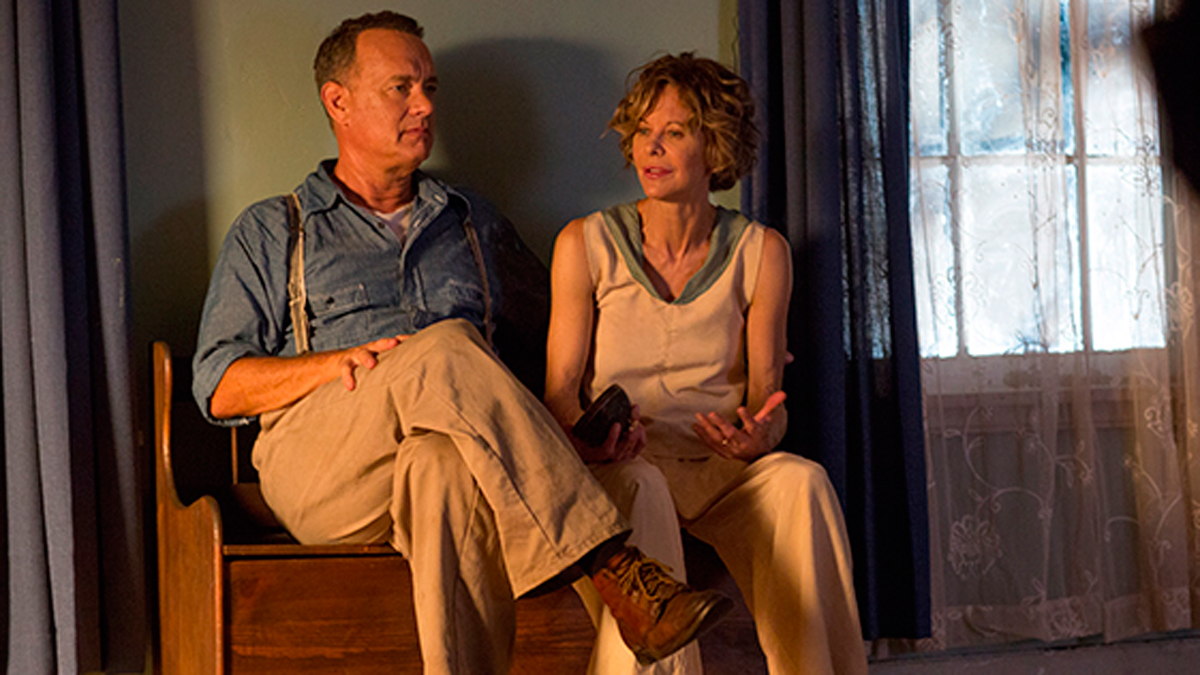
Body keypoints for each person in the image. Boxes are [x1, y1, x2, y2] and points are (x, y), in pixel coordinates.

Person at [192, 13, 732, 674]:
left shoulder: (472, 224)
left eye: (429, 88)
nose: (424, 105)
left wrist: (703, 346)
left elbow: (557, 343)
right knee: (445, 346)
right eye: (401, 88)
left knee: (440, 461)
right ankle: (612, 564)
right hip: (322, 468)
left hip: (446, 469)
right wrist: (330, 365)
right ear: (338, 102)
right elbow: (218, 386)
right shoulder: (276, 228)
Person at [545, 53, 869, 674]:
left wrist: (758, 436)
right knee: (645, 490)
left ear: (714, 147)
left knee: (802, 481)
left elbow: (768, 399)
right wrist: (593, 440)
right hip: (625, 467)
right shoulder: (583, 243)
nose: (651, 147)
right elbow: (559, 393)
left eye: (674, 132)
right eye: (643, 131)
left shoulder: (762, 251)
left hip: (719, 471)